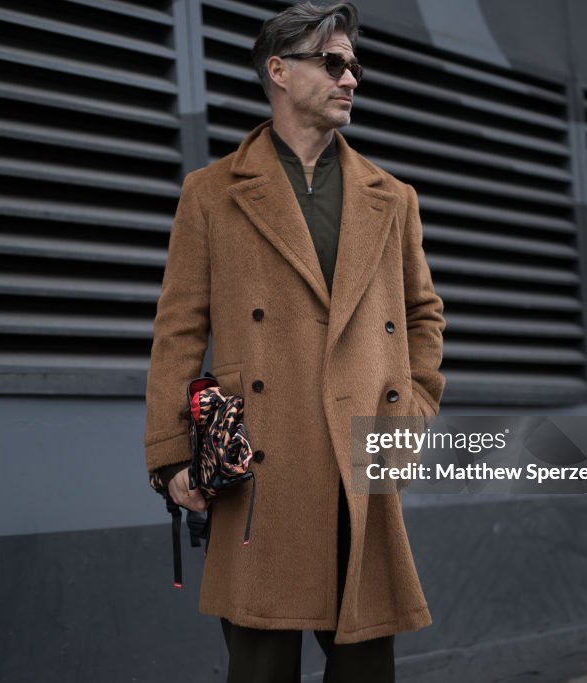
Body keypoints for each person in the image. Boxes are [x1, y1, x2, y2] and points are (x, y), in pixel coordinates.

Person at [143, 3, 446, 681]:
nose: (351, 79)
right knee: (261, 668)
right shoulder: (212, 195)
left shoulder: (392, 197)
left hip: (358, 465)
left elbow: (425, 315)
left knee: (367, 669)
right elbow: (179, 331)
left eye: (355, 65)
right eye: (334, 62)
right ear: (278, 71)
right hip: (260, 470)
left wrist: (410, 417)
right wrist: (170, 460)